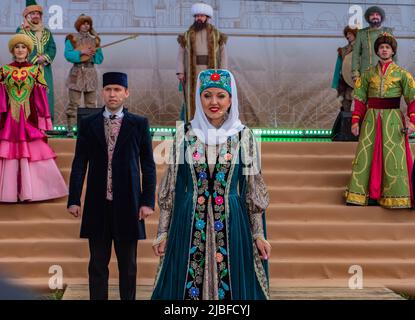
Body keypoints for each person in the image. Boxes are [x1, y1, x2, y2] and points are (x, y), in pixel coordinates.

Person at [151, 69, 271, 300]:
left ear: (231, 99)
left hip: (232, 222)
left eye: (220, 95)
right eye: (207, 95)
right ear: (198, 98)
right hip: (188, 222)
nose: (214, 102)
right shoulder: (184, 134)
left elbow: (252, 190)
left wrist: (258, 234)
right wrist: (162, 232)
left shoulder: (245, 136)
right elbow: (171, 187)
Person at [67, 72, 156, 300]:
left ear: (126, 93)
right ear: (102, 92)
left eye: (118, 89)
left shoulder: (139, 124)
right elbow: (79, 163)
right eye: (108, 89)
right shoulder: (89, 124)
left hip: (128, 204)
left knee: (128, 265)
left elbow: (148, 165)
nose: (112, 94)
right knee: (97, 263)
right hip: (98, 204)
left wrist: (147, 201)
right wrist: (74, 199)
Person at [345, 33, 415, 208]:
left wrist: (412, 122)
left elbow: (412, 99)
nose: (384, 50)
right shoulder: (367, 75)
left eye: (388, 47)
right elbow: (360, 99)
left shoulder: (403, 75)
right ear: (377, 51)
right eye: (381, 47)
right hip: (371, 119)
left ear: (392, 51)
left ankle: (395, 196)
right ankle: (364, 195)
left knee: (394, 159)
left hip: (393, 120)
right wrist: (355, 121)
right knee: (368, 155)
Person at [0, 34, 67, 202]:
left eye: (23, 47)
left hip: (30, 119)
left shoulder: (36, 71)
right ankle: (8, 192)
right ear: (12, 50)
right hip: (10, 120)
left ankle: (32, 191)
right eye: (17, 47)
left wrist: (44, 120)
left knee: (31, 150)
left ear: (28, 50)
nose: (20, 50)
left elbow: (41, 98)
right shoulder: (4, 70)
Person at [177, 2, 228, 122]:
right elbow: (180, 54)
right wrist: (180, 72)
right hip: (191, 73)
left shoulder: (217, 35)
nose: (199, 18)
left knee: (210, 97)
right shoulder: (187, 35)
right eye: (197, 16)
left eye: (201, 16)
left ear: (207, 17)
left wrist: (223, 72)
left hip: (211, 73)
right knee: (192, 99)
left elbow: (223, 54)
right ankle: (192, 124)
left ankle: (210, 124)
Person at [64, 14, 104, 137]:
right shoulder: (72, 38)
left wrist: (94, 53)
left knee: (91, 104)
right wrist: (81, 52)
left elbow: (99, 59)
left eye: (88, 23)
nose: (86, 25)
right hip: (76, 73)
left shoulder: (95, 40)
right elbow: (68, 55)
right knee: (73, 103)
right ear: (78, 25)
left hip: (90, 73)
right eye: (83, 23)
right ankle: (70, 129)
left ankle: (89, 129)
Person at [17, 0, 57, 122]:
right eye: (32, 13)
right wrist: (35, 58)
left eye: (38, 13)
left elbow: (52, 47)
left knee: (45, 95)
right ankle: (28, 125)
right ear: (27, 16)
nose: (35, 16)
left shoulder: (46, 32)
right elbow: (20, 47)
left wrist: (45, 57)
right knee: (29, 95)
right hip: (27, 69)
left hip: (44, 69)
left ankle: (44, 125)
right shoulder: (22, 31)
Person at [352, 6, 395, 82]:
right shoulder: (361, 33)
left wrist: (395, 72)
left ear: (381, 17)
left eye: (377, 14)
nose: (375, 17)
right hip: (365, 74)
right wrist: (355, 73)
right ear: (368, 18)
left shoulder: (388, 31)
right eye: (372, 15)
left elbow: (395, 54)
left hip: (386, 74)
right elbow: (355, 54)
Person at [331, 26, 358, 112]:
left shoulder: (365, 50)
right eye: (346, 34)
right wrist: (335, 85)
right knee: (346, 109)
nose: (347, 36)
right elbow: (337, 69)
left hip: (361, 84)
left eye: (350, 33)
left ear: (355, 34)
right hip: (345, 84)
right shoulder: (342, 51)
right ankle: (346, 125)